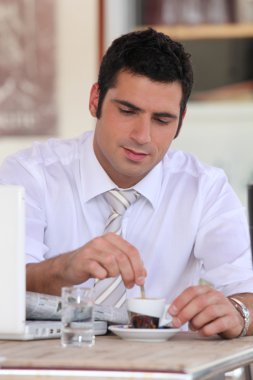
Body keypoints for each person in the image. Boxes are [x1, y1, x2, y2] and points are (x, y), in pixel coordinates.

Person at [0, 28, 253, 339]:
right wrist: (63, 269)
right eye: (127, 111)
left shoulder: (204, 189)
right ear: (95, 100)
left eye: (162, 120)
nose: (142, 136)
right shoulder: (30, 175)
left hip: (165, 370)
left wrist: (239, 312)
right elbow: (5, 287)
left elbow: (247, 292)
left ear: (181, 122)